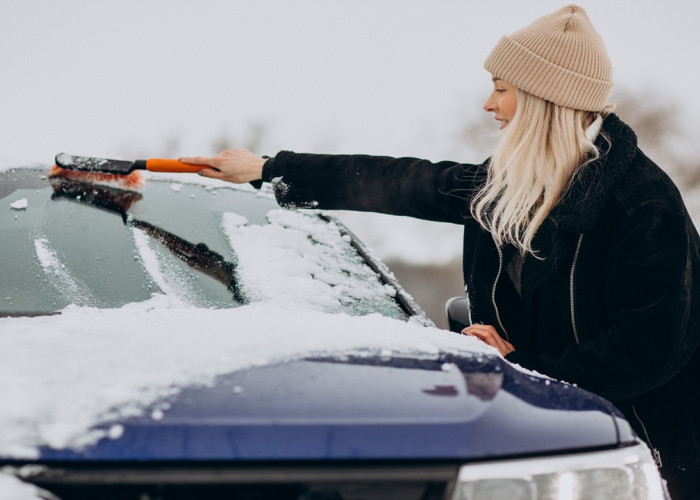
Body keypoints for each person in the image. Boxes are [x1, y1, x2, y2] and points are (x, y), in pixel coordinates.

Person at [181, 5, 699, 498]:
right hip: (540, 442)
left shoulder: (642, 206)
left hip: (646, 454)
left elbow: (646, 351)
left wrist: (522, 365)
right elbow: (408, 182)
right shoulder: (516, 186)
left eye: (502, 90)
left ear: (544, 101)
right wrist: (269, 169)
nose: (488, 105)